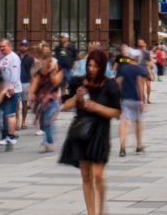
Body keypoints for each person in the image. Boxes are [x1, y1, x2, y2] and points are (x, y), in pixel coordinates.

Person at [60, 49, 121, 215]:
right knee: (86, 176)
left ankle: (101, 208)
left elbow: (117, 113)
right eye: (90, 65)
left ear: (102, 67)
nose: (92, 69)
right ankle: (91, 213)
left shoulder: (110, 85)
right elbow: (65, 106)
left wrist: (98, 107)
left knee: (98, 175)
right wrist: (77, 97)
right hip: (82, 133)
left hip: (100, 133)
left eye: (96, 66)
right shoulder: (77, 82)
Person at [115, 46, 148, 157]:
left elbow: (119, 81)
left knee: (124, 122)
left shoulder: (124, 68)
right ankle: (138, 146)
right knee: (137, 122)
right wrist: (142, 100)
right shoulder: (139, 69)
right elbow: (140, 84)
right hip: (135, 99)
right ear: (137, 58)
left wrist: (121, 94)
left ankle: (122, 147)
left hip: (125, 98)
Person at [30, 48, 62, 153]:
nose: (43, 63)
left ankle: (46, 143)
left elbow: (56, 83)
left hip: (53, 100)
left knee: (47, 121)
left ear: (50, 61)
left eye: (46, 60)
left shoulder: (57, 69)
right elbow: (34, 85)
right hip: (42, 101)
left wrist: (52, 71)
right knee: (46, 122)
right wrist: (31, 94)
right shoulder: (39, 73)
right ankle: (50, 142)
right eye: (42, 60)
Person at [0, 39, 21, 148]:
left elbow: (14, 74)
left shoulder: (14, 58)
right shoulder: (3, 59)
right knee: (5, 114)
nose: (2, 48)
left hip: (13, 90)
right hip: (4, 89)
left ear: (9, 46)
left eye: (4, 46)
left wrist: (11, 88)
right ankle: (5, 136)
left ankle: (11, 137)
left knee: (10, 113)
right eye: (0, 47)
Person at [18, 40, 35, 131]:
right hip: (17, 82)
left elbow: (33, 72)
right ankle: (16, 121)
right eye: (22, 45)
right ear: (19, 46)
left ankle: (23, 122)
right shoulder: (15, 56)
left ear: (27, 47)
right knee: (16, 103)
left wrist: (32, 85)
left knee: (24, 103)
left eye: (25, 45)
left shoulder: (30, 58)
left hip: (26, 82)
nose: (23, 47)